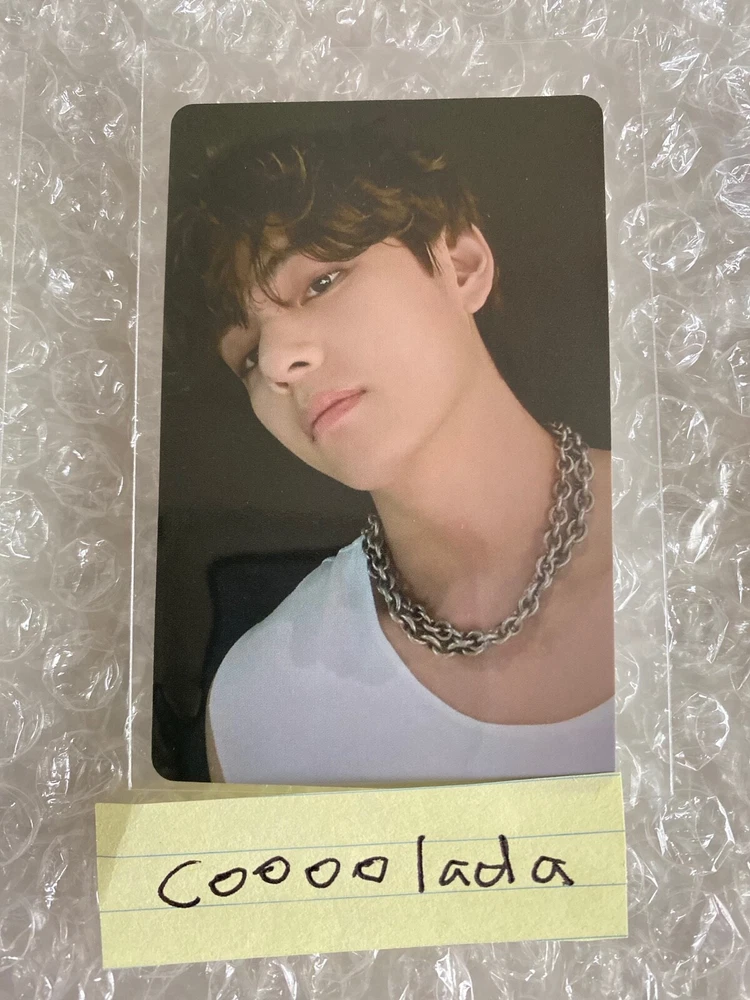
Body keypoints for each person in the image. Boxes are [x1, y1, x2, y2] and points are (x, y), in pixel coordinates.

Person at [173, 122, 615, 786]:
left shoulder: (710, 534)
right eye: (247, 357)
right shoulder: (261, 701)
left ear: (460, 265)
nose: (279, 361)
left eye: (321, 282)